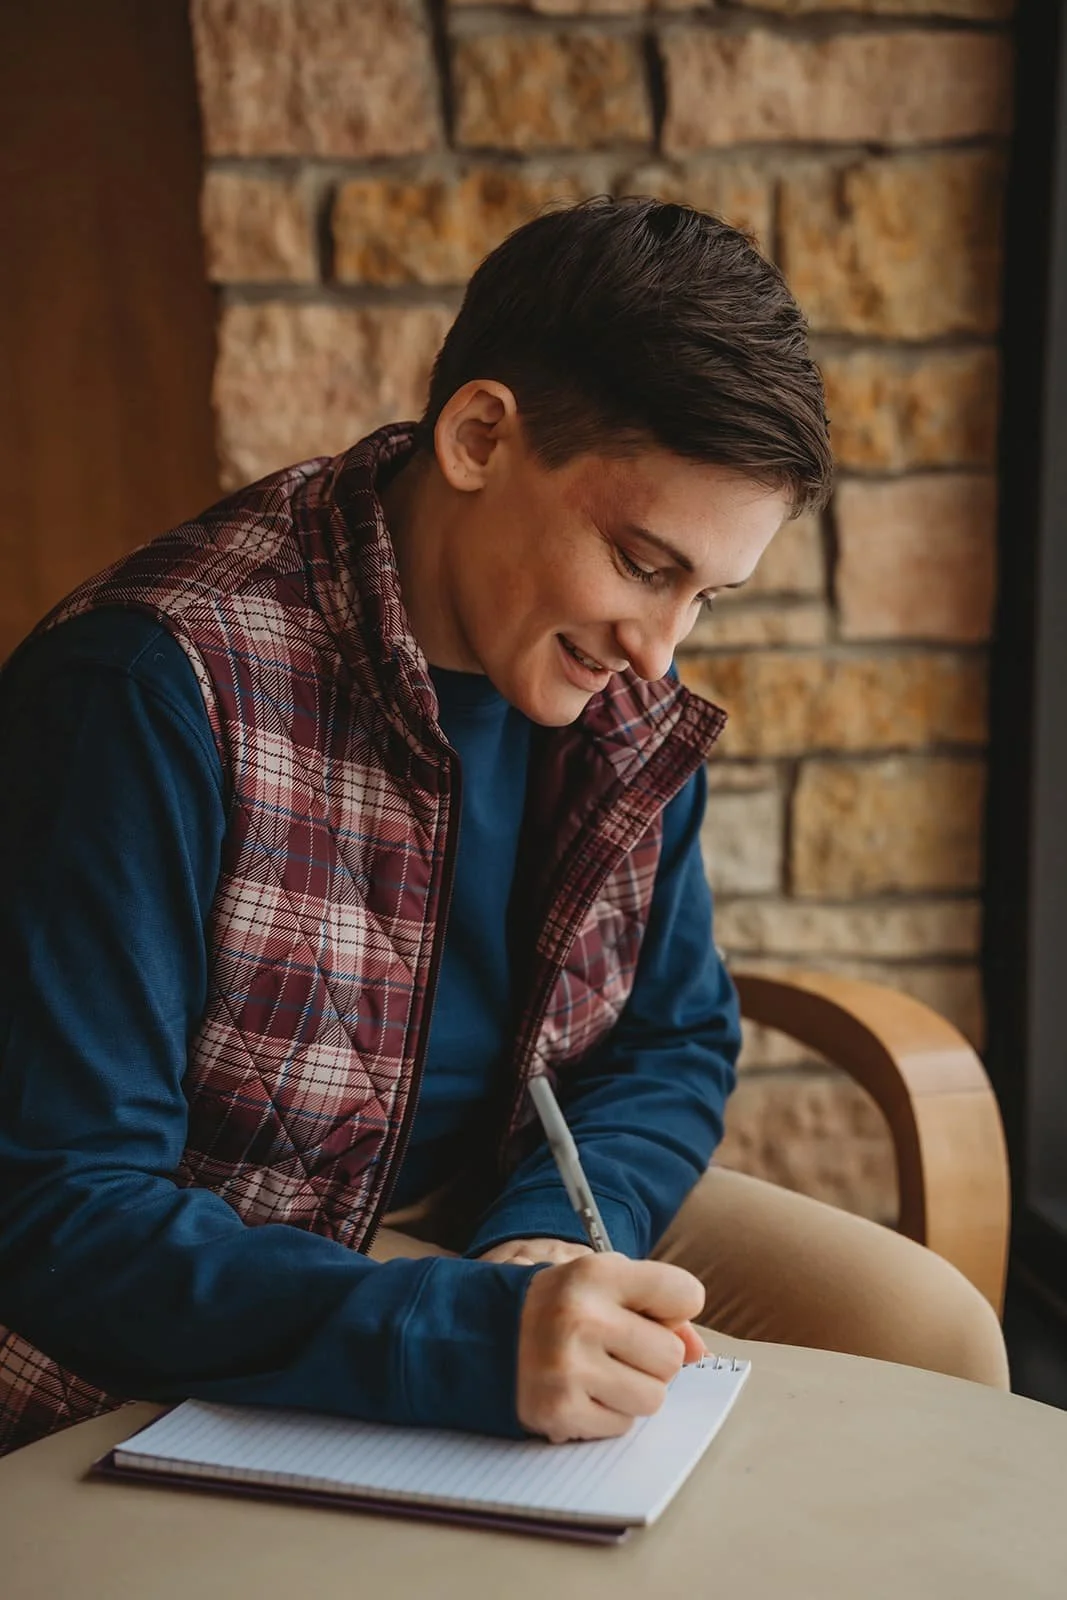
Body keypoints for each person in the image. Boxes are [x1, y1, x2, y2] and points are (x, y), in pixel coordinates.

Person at [0, 198, 1008, 1458]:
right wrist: (464, 1330)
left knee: (924, 1330)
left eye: (707, 593)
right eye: (643, 564)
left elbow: (672, 1032)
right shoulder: (150, 688)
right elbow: (58, 1207)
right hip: (244, 1252)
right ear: (479, 435)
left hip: (503, 1209)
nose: (660, 649)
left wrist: (547, 1235)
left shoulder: (618, 694)